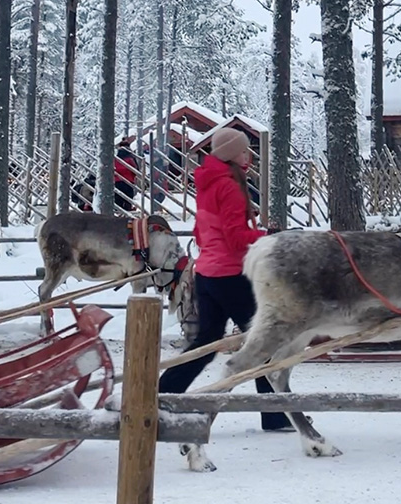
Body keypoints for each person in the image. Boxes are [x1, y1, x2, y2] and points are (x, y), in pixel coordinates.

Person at [157, 127, 292, 432]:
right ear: (233, 154)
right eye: (245, 151)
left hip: (208, 273)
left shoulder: (207, 183)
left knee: (206, 342)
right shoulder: (229, 187)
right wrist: (269, 237)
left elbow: (204, 231)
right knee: (264, 340)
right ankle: (276, 413)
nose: (249, 155)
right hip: (231, 273)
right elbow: (235, 238)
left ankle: (161, 396)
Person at [114, 142, 137, 211]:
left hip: (117, 180)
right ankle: (127, 210)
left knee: (118, 198)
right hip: (129, 181)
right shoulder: (130, 158)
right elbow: (135, 169)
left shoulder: (116, 158)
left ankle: (118, 210)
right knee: (128, 198)